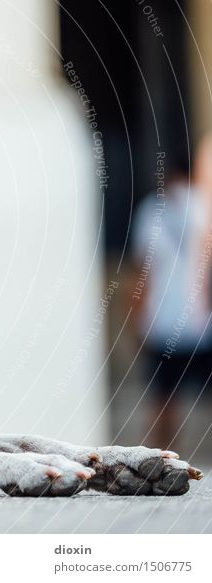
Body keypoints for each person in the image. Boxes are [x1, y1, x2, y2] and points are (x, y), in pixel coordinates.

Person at [131, 147, 212, 448]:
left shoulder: (151, 211)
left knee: (163, 403)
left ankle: (163, 462)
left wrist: (138, 321)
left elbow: (142, 275)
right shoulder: (204, 206)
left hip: (162, 324)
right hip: (201, 324)